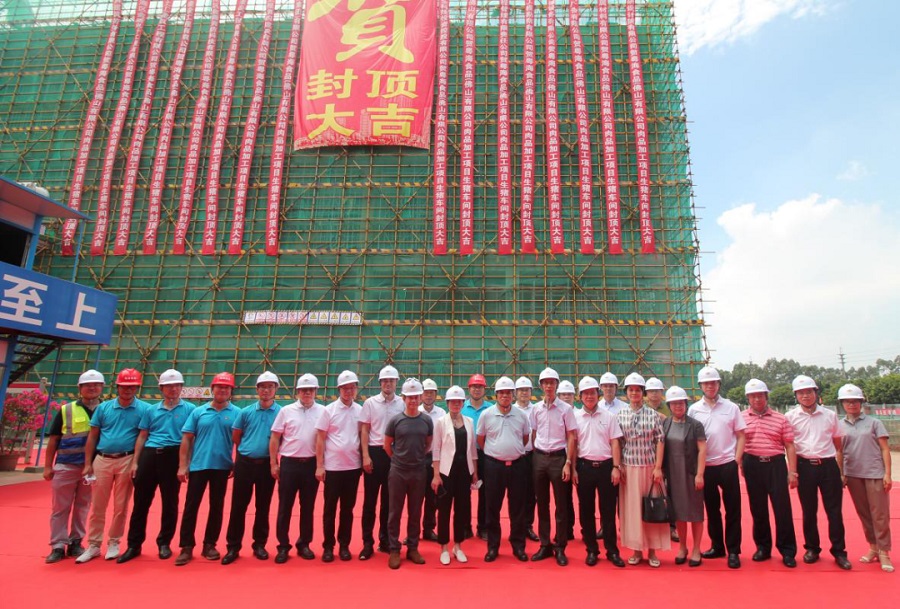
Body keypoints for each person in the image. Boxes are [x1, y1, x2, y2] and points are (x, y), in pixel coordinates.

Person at [118, 369, 195, 563]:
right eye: (169, 386)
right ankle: (134, 545)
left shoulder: (190, 410)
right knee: (140, 502)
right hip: (150, 455)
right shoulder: (151, 410)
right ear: (161, 388)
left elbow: (191, 439)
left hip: (174, 455)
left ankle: (164, 542)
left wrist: (185, 464)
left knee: (170, 502)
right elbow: (142, 436)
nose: (173, 389)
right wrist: (135, 462)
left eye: (177, 385)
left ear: (182, 388)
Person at [77, 368, 149, 563]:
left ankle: (114, 542)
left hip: (127, 459)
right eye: (124, 386)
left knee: (121, 505)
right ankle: (93, 544)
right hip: (102, 459)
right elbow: (93, 437)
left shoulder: (144, 409)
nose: (127, 390)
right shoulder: (104, 408)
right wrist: (88, 464)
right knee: (98, 505)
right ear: (117, 386)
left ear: (137, 388)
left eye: (132, 386)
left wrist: (136, 462)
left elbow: (142, 437)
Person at [785, 375, 851, 570]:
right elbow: (789, 446)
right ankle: (812, 548)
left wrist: (841, 472)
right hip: (804, 467)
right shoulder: (790, 417)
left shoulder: (830, 415)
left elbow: (838, 445)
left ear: (816, 393)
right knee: (808, 511)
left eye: (809, 391)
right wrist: (792, 471)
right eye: (801, 393)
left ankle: (839, 551)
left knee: (834, 511)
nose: (805, 396)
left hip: (828, 466)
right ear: (796, 395)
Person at [175, 372, 240, 566]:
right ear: (212, 389)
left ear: (231, 391)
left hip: (222, 467)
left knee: (216, 507)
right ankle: (186, 546)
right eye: (219, 387)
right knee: (191, 507)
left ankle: (210, 544)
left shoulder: (237, 413)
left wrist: (236, 463)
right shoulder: (198, 412)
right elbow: (187, 439)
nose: (223, 390)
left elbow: (240, 440)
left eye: (227, 387)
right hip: (198, 466)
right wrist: (183, 465)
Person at [43, 369, 104, 563]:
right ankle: (57, 545)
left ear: (102, 387)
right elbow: (54, 439)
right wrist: (48, 466)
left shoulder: (106, 409)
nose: (92, 388)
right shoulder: (66, 410)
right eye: (87, 385)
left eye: (96, 384)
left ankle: (76, 542)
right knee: (60, 508)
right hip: (66, 465)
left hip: (92, 468)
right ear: (80, 388)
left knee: (83, 506)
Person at [688, 366, 746, 569]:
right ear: (700, 386)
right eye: (706, 383)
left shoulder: (731, 407)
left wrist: (736, 459)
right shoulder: (694, 409)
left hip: (727, 464)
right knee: (712, 509)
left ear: (719, 384)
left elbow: (741, 435)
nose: (710, 386)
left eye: (713, 382)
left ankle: (733, 551)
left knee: (733, 509)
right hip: (706, 467)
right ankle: (717, 546)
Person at [222, 371, 283, 564]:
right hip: (245, 464)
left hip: (267, 465)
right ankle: (233, 547)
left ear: (276, 389)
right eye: (263, 387)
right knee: (238, 507)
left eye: (270, 387)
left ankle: (259, 545)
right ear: (257, 389)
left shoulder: (282, 413)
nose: (266, 390)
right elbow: (236, 436)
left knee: (263, 507)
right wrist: (248, 450)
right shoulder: (246, 412)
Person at [741, 378, 798, 568]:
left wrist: (792, 472)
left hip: (776, 465)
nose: (757, 399)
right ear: (748, 398)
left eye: (760, 395)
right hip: (752, 464)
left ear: (766, 396)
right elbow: (738, 442)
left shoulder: (781, 418)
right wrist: (740, 464)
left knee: (782, 509)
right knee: (758, 509)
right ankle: (763, 547)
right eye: (753, 396)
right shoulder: (741, 418)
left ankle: (787, 550)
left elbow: (789, 445)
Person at [838, 383, 893, 573]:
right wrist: (841, 473)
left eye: (855, 401)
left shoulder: (874, 423)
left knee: (880, 515)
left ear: (861, 402)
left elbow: (885, 449)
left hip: (874, 474)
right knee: (865, 514)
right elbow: (839, 451)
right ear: (842, 404)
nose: (851, 404)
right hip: (853, 475)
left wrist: (887, 473)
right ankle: (873, 547)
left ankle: (884, 552)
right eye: (847, 401)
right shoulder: (839, 425)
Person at [271, 373, 324, 563]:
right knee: (285, 506)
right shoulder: (286, 411)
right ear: (297, 392)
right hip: (289, 464)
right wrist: (274, 463)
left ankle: (304, 544)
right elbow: (275, 437)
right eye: (303, 390)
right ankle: (283, 546)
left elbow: (324, 439)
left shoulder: (323, 411)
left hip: (311, 464)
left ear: (316, 391)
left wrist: (320, 465)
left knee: (307, 507)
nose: (307, 393)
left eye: (310, 390)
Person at [617, 372, 669, 567]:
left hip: (649, 468)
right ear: (626, 393)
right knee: (633, 511)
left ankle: (653, 551)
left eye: (638, 390)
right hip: (629, 468)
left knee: (651, 507)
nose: (634, 393)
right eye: (631, 390)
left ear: (643, 393)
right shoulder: (620, 415)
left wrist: (658, 468)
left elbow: (660, 441)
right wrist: (619, 466)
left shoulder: (653, 415)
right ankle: (637, 549)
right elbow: (618, 443)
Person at [477, 376, 531, 563]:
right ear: (496, 395)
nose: (505, 396)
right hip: (494, 466)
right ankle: (493, 547)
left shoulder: (521, 415)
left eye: (508, 393)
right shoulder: (487, 415)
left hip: (517, 466)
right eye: (501, 393)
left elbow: (525, 438)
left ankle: (518, 546)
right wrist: (496, 452)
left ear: (513, 394)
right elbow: (481, 440)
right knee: (492, 507)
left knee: (518, 508)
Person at [573, 376, 625, 568]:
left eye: (593, 393)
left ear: (598, 394)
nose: (589, 396)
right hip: (584, 467)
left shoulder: (608, 416)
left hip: (606, 468)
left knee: (608, 511)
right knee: (586, 511)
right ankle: (591, 550)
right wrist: (573, 468)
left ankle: (612, 551)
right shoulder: (575, 417)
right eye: (586, 393)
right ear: (580, 396)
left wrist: (616, 467)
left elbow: (615, 442)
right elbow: (573, 444)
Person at [384, 378, 434, 569]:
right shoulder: (396, 420)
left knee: (415, 511)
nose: (413, 400)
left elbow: (428, 443)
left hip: (418, 471)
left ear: (420, 397)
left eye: (416, 397)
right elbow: (387, 445)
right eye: (409, 397)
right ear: (403, 398)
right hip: (398, 471)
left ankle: (413, 547)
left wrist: (417, 458)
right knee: (394, 511)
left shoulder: (426, 420)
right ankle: (394, 549)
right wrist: (399, 459)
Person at [530, 367, 576, 566]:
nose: (549, 386)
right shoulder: (536, 409)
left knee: (561, 505)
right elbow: (533, 433)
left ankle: (560, 546)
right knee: (542, 504)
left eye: (552, 382)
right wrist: (537, 455)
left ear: (557, 385)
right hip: (540, 458)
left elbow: (571, 436)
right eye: (545, 383)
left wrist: (568, 462)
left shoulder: (566, 409)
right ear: (541, 386)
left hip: (559, 459)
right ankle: (545, 544)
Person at [315, 370, 363, 563]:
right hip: (333, 468)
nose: (348, 391)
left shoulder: (360, 411)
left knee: (347, 509)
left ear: (356, 389)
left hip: (353, 467)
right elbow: (320, 439)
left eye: (352, 387)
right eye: (345, 388)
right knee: (330, 509)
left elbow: (363, 436)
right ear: (339, 389)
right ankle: (328, 546)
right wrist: (320, 465)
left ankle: (344, 545)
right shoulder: (328, 410)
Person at [358, 365, 404, 559]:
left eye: (391, 380)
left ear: (396, 382)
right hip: (375, 453)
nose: (388, 384)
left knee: (389, 502)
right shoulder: (370, 403)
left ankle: (385, 540)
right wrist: (365, 456)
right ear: (380, 383)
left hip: (394, 455)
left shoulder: (402, 403)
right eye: (385, 380)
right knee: (369, 502)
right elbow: (365, 430)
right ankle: (367, 543)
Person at [432, 385, 478, 564]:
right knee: (444, 510)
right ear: (447, 403)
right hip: (446, 472)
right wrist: (436, 475)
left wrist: (475, 472)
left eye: (459, 402)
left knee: (462, 509)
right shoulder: (440, 422)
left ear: (463, 403)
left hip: (464, 472)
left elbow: (472, 449)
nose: (456, 404)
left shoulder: (469, 421)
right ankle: (444, 546)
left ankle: (458, 546)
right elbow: (436, 450)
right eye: (452, 401)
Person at [662, 386, 706, 567]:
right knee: (678, 513)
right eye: (674, 404)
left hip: (691, 474)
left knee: (695, 513)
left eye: (680, 403)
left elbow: (702, 449)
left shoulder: (695, 425)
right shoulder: (666, 423)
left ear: (686, 404)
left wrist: (700, 474)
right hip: (673, 475)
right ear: (669, 406)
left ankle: (696, 548)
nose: (678, 406)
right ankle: (682, 547)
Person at [461, 373, 492, 540]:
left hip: (485, 453)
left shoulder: (491, 409)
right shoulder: (461, 407)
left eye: (480, 387)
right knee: (463, 492)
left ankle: (483, 527)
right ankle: (465, 526)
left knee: (485, 493)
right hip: (464, 455)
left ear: (484, 389)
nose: (477, 389)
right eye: (474, 386)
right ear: (469, 389)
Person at [417, 378, 444, 542]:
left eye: (431, 393)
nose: (428, 396)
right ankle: (413, 532)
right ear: (421, 395)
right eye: (426, 392)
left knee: (432, 497)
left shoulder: (441, 414)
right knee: (415, 497)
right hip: (417, 459)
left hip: (434, 459)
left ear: (436, 394)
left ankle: (428, 529)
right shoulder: (415, 411)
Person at [515, 376, 540, 542]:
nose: (524, 393)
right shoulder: (511, 409)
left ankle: (528, 526)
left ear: (531, 392)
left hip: (533, 455)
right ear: (516, 392)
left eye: (527, 390)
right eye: (521, 390)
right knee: (516, 494)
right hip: (516, 457)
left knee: (531, 493)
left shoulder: (537, 409)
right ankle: (517, 526)